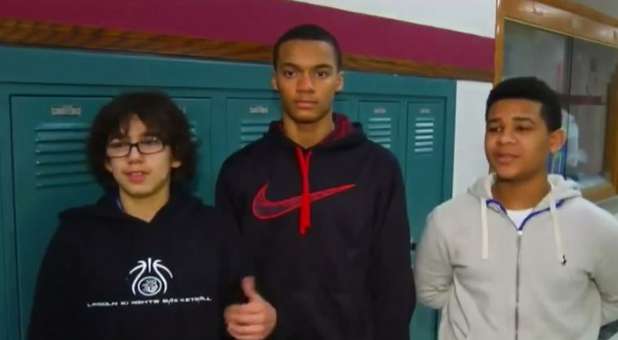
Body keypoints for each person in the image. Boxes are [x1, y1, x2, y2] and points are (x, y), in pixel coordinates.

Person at [216, 24, 415, 340]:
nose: (306, 86)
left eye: (320, 73)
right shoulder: (240, 170)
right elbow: (226, 273)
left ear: (339, 81)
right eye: (292, 73)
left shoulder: (378, 167)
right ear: (275, 80)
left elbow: (394, 281)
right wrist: (232, 309)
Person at [28, 91, 263, 339]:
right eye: (119, 145)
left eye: (150, 142)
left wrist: (260, 320)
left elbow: (243, 322)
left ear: (175, 156)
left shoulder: (216, 230)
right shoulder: (75, 237)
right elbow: (47, 330)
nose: (134, 157)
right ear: (107, 161)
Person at [415, 77, 618, 340]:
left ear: (555, 141)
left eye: (522, 128)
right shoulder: (447, 220)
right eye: (495, 128)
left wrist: (572, 322)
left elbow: (613, 300)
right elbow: (431, 292)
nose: (505, 139)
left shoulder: (596, 227)